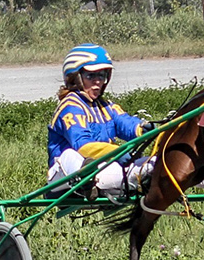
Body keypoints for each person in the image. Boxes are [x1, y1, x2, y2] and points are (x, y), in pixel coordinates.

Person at [47, 43, 150, 197]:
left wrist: (146, 128)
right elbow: (83, 146)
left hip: (101, 173)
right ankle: (85, 180)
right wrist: (118, 152)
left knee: (156, 164)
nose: (97, 81)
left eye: (101, 75)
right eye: (90, 76)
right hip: (63, 180)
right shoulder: (70, 106)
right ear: (76, 78)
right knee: (70, 155)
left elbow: (126, 123)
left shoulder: (106, 106)